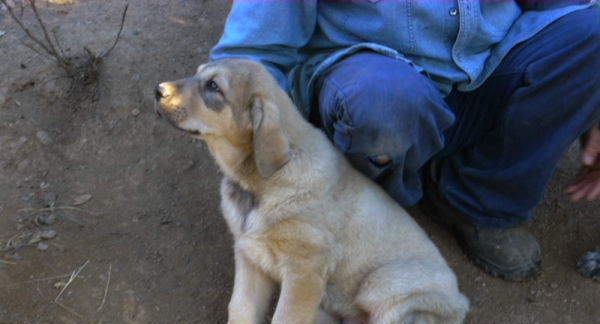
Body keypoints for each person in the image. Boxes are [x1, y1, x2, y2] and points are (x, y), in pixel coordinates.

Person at [209, 1, 600, 281]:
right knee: (383, 100)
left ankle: (472, 201)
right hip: (378, 91)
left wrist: (592, 104)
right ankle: (369, 216)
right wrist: (278, 171)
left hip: (484, 72)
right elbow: (248, 57)